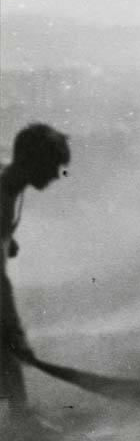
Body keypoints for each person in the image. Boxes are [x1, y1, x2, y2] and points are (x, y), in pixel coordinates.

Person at [2, 124, 71, 424]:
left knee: (4, 345)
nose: (57, 174)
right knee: (6, 340)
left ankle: (20, 414)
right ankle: (21, 416)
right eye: (54, 166)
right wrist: (16, 330)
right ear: (33, 161)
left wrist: (7, 240)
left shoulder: (9, 181)